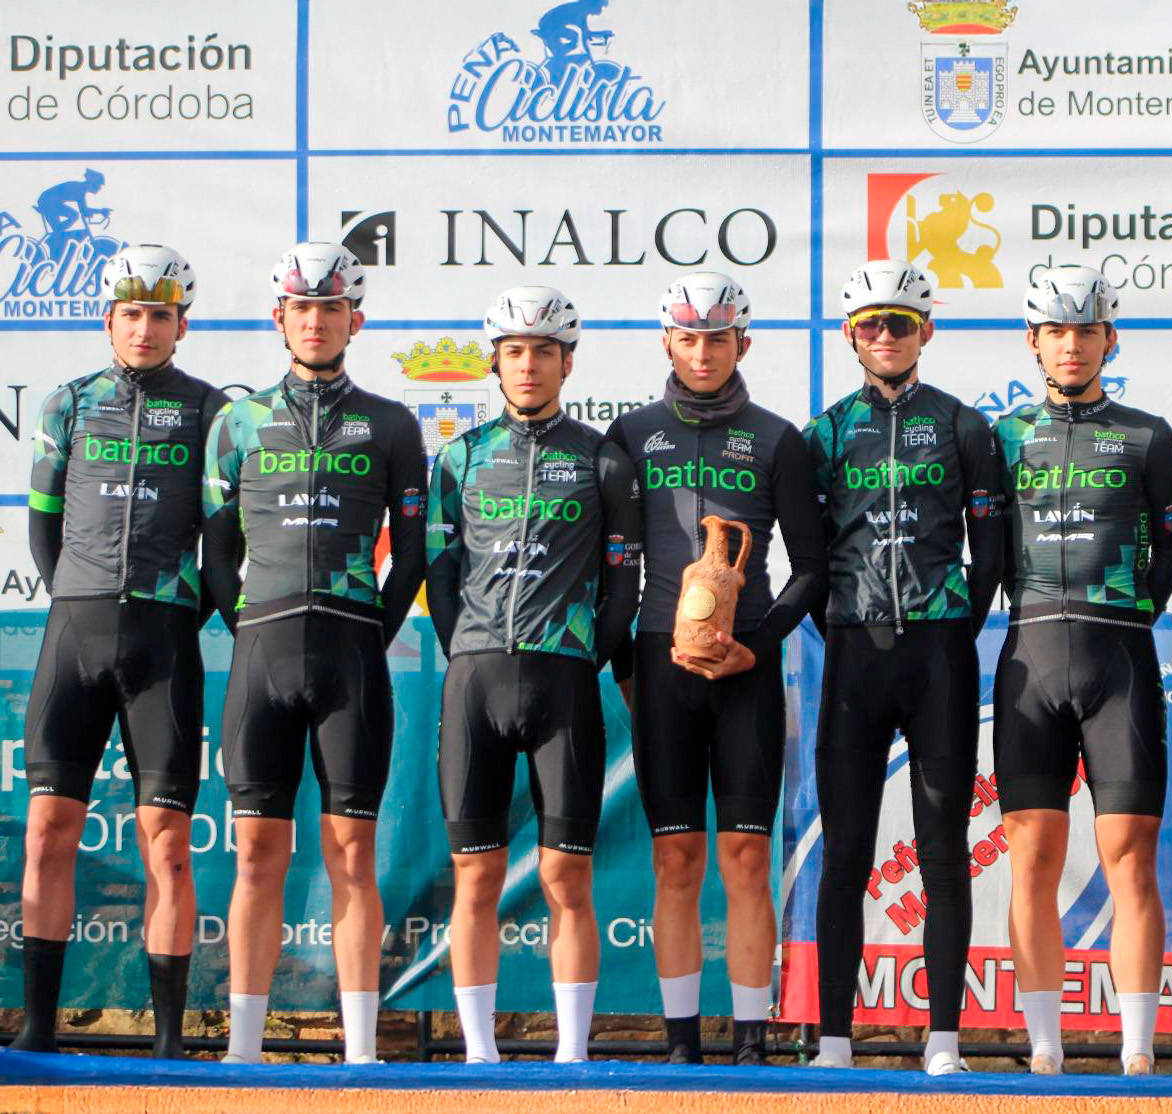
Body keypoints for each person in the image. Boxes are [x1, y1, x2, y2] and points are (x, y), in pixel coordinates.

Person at [202, 242, 427, 1065]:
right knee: (257, 855)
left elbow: (413, 555)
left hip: (350, 654)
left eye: (331, 308)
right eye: (302, 307)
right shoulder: (237, 424)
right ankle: (244, 1048)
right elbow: (217, 555)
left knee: (352, 854)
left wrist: (370, 629)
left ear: (353, 320)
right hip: (262, 651)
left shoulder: (391, 424)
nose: (316, 321)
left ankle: (361, 1052)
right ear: (280, 318)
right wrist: (250, 629)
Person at [605, 272, 826, 1064]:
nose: (702, 353)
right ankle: (679, 1042)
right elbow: (613, 568)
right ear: (667, 341)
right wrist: (626, 666)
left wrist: (755, 648)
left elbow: (812, 568)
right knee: (675, 858)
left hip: (746, 673)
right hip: (659, 665)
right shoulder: (629, 435)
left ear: (743, 343)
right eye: (689, 338)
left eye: (717, 339)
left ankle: (752, 1041)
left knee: (745, 858)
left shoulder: (777, 439)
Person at [425, 285, 641, 1064]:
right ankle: (479, 1053)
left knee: (565, 877)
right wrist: (467, 649)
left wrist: (583, 656)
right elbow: (439, 573)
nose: (527, 365)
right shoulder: (459, 458)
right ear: (495, 362)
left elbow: (623, 582)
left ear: (566, 363)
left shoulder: (602, 460)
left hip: (563, 681)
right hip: (476, 681)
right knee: (474, 876)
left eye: (543, 351)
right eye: (513, 351)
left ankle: (572, 1053)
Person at [18, 244, 225, 1058]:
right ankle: (38, 1028)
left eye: (160, 316)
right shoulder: (68, 403)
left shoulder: (210, 411)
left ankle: (170, 1041)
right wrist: (76, 595)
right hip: (75, 632)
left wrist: (178, 614)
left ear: (182, 326)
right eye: (132, 314)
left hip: (163, 641)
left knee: (167, 845)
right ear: (109, 320)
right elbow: (42, 525)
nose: (145, 329)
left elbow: (225, 542)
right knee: (47, 832)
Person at [802, 259, 1004, 1074]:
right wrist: (843, 629)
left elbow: (989, 554)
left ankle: (944, 1039)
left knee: (942, 850)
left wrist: (952, 629)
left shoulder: (962, 425)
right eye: (871, 325)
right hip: (853, 653)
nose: (885, 336)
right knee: (845, 852)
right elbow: (808, 559)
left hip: (938, 655)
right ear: (850, 335)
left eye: (901, 323)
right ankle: (832, 1041)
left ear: (927, 331)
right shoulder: (823, 433)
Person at [992, 265, 1172, 1075]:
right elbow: (985, 549)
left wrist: (1133, 612)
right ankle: (1044, 1046)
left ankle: (1137, 1050)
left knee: (1129, 858)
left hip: (1119, 660)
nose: (1070, 346)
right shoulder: (1001, 437)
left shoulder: (1147, 435)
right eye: (1054, 332)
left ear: (1109, 339)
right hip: (1029, 656)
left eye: (1084, 331)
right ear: (1032, 342)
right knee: (1031, 858)